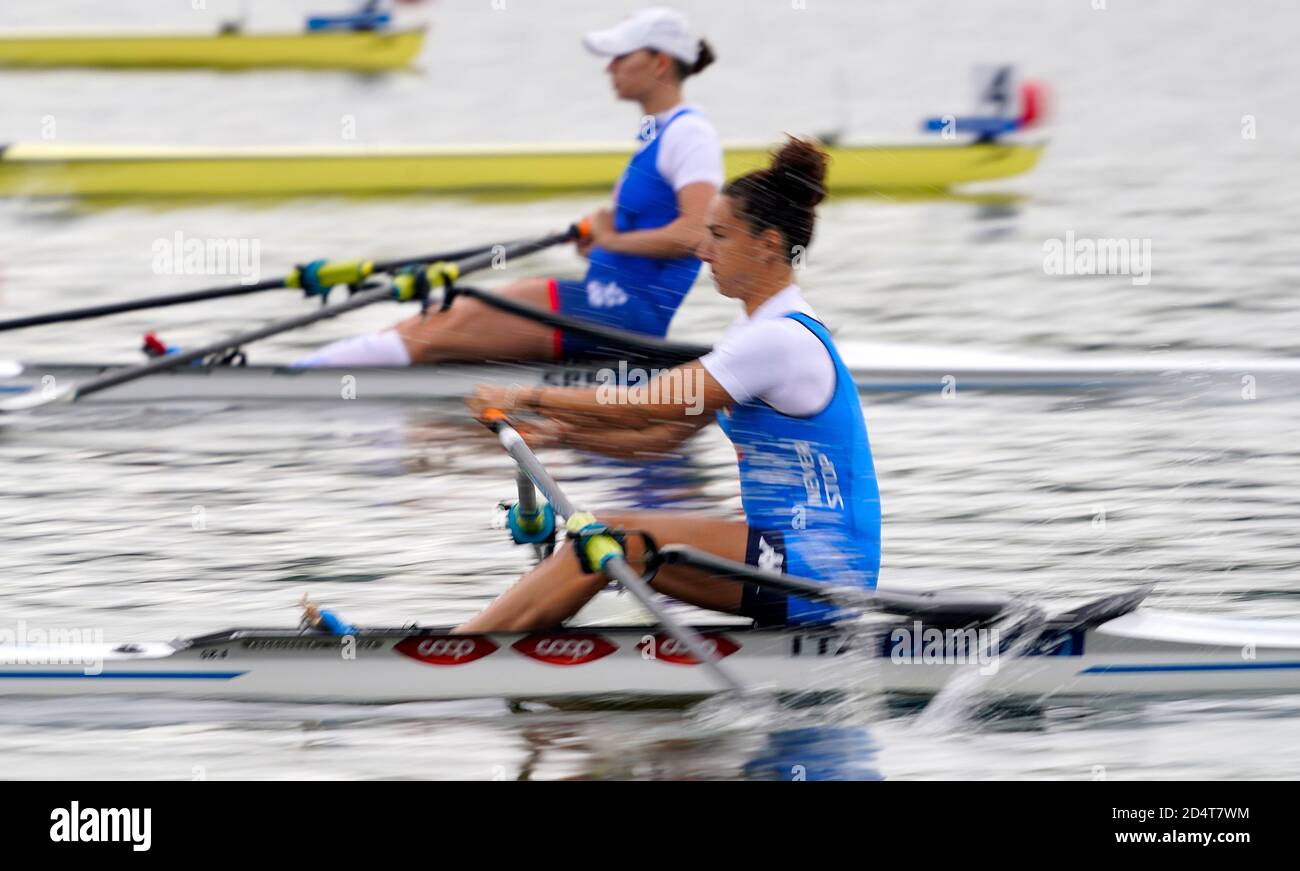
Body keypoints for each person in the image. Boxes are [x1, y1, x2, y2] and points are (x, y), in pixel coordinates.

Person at [459, 138, 881, 633]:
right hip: (790, 555)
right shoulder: (754, 334)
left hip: (821, 567)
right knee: (604, 534)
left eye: (719, 236)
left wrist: (520, 396)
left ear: (767, 245)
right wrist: (560, 434)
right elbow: (662, 437)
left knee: (609, 538)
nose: (703, 251)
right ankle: (482, 643)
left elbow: (646, 406)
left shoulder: (777, 340)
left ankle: (461, 649)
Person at [296, 7, 722, 368]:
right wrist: (602, 240)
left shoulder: (691, 136)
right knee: (436, 314)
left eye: (619, 56)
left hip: (626, 314)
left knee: (438, 327)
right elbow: (652, 229)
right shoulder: (658, 133)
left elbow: (695, 234)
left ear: (660, 63)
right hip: (604, 298)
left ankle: (297, 380)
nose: (609, 67)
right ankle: (322, 374)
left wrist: (612, 238)